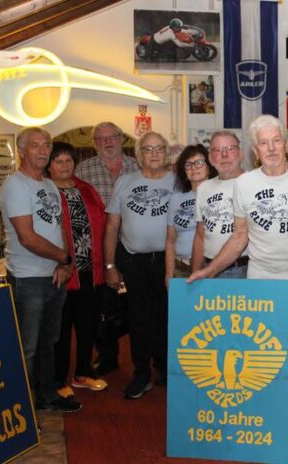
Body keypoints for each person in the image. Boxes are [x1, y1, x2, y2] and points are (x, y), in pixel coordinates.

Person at [188, 115, 288, 387]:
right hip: (261, 287)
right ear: (255, 150)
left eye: (276, 141)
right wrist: (208, 270)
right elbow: (239, 237)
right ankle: (272, 421)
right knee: (266, 359)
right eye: (263, 143)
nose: (271, 148)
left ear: (285, 144)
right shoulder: (244, 185)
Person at [0, 127, 81, 412]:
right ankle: (20, 407)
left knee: (49, 342)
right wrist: (67, 258)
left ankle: (46, 397)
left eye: (46, 144)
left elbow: (59, 227)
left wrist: (62, 263)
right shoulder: (15, 185)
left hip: (53, 276)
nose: (43, 149)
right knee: (27, 347)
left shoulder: (48, 185)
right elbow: (27, 237)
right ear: (22, 151)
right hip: (27, 279)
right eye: (35, 145)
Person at [104, 131, 174, 399]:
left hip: (169, 263)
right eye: (148, 149)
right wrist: (110, 266)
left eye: (159, 148)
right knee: (139, 321)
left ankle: (167, 369)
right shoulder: (125, 181)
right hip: (133, 262)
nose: (154, 153)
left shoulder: (178, 182)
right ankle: (142, 373)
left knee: (168, 319)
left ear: (166, 153)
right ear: (138, 154)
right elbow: (112, 226)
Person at [75, 122, 139, 376]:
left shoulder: (138, 166)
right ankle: (108, 354)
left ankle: (144, 356)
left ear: (121, 138)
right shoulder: (84, 169)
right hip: (99, 247)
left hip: (134, 245)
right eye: (101, 139)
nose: (108, 142)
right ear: (94, 144)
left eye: (113, 136)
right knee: (103, 303)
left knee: (137, 302)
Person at [48, 142, 108, 398]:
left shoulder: (86, 189)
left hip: (89, 271)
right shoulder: (44, 191)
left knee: (87, 326)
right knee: (59, 330)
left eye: (68, 161)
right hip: (59, 272)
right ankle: (57, 379)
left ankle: (83, 372)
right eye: (58, 161)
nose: (64, 165)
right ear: (49, 165)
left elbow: (103, 223)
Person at [191, 130, 248, 278]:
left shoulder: (254, 183)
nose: (224, 155)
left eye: (230, 149)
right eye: (217, 150)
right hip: (209, 269)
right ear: (210, 158)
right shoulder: (203, 188)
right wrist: (196, 271)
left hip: (244, 269)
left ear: (240, 153)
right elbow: (199, 235)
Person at [165, 145, 216, 287]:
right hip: (180, 268)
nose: (194, 167)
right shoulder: (176, 199)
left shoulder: (218, 196)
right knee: (182, 309)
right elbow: (170, 241)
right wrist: (169, 274)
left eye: (199, 162)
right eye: (188, 164)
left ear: (209, 166)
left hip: (210, 267)